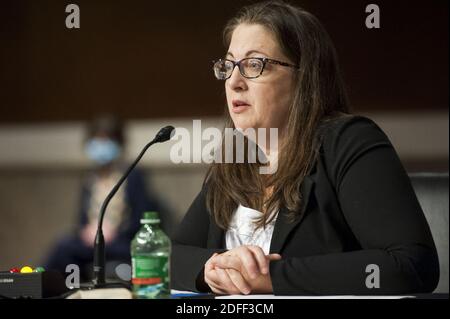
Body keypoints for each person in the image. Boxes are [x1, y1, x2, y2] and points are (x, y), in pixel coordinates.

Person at [171, 1, 439, 295]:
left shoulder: (348, 142)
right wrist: (213, 269)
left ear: (304, 76)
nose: (234, 82)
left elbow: (410, 264)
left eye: (254, 64)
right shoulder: (235, 158)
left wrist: (271, 277)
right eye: (229, 65)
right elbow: (171, 256)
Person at [44, 115, 161, 281]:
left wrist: (114, 232)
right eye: (97, 140)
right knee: (63, 247)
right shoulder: (90, 178)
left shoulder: (133, 175)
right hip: (92, 241)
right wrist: (86, 231)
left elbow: (141, 218)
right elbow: (81, 220)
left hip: (122, 242)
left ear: (119, 143)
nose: (101, 146)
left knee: (66, 248)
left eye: (106, 141)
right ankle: (37, 283)